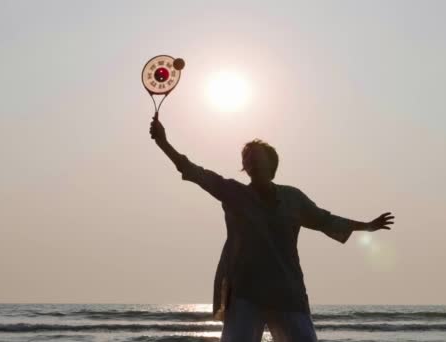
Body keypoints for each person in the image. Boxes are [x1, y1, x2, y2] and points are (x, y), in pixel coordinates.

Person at [149, 114, 394, 342]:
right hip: (245, 291)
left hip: (287, 291)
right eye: (247, 159)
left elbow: (324, 220)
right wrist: (163, 142)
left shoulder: (293, 198)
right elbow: (192, 171)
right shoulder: (234, 193)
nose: (250, 161)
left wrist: (367, 226)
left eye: (256, 157)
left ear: (272, 163)